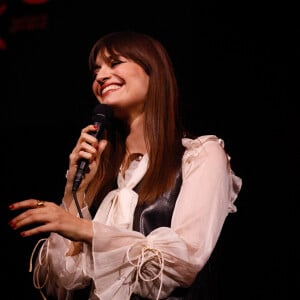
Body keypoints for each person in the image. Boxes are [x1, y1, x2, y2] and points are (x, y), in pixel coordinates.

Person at [8, 31, 242, 300]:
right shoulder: (101, 170)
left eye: (115, 63)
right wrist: (74, 191)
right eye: (96, 70)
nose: (100, 76)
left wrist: (85, 230)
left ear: (153, 72)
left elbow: (183, 262)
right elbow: (60, 286)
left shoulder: (199, 156)